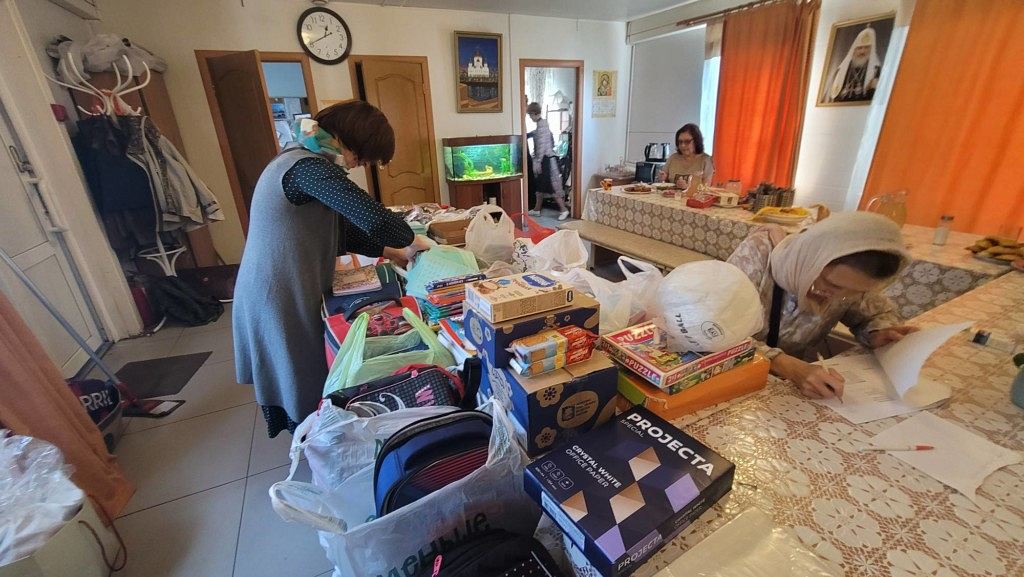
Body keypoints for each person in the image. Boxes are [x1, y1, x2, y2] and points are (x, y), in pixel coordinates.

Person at [233, 101, 430, 437]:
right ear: (350, 139)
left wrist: (393, 252)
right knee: (298, 371)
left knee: (301, 365)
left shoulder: (304, 157)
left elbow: (340, 232)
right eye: (363, 158)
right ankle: (311, 439)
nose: (358, 165)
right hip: (276, 291)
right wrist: (409, 238)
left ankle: (315, 434)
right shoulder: (307, 167)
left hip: (281, 283)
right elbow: (374, 219)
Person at [726, 212, 917, 400]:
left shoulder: (853, 282)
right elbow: (719, 334)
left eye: (856, 292)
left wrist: (878, 333)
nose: (839, 297)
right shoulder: (759, 253)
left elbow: (876, 315)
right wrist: (787, 366)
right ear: (813, 258)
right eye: (832, 284)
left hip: (782, 389)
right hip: (729, 378)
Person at [525, 102, 570, 221]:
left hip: (546, 161)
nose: (530, 117)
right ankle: (536, 209)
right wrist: (530, 135)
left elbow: (542, 146)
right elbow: (540, 136)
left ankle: (564, 210)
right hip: (545, 160)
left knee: (552, 187)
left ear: (535, 113)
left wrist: (537, 162)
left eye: (530, 115)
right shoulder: (542, 125)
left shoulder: (542, 125)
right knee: (540, 186)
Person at [827, 26, 882, 103]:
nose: (862, 51)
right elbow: (833, 95)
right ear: (853, 50)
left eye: (866, 47)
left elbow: (875, 98)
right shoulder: (842, 68)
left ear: (871, 49)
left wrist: (872, 88)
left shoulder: (875, 69)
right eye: (859, 48)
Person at [658, 124, 714, 188]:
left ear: (696, 141)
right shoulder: (673, 158)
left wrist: (687, 187)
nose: (683, 145)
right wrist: (663, 178)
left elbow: (706, 188)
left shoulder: (706, 160)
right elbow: (664, 182)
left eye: (687, 141)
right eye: (680, 142)